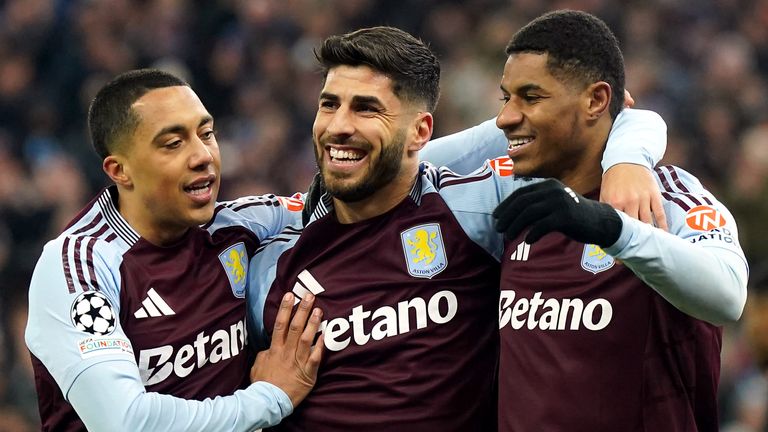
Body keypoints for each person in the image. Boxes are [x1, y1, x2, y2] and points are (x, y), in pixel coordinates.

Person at [248, 26, 668, 431]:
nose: (338, 125)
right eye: (328, 104)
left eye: (366, 107)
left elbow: (620, 116)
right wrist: (264, 401)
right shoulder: (270, 253)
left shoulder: (472, 206)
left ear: (421, 131)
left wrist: (627, 159)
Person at [484, 10, 747, 431]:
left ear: (596, 101)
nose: (505, 117)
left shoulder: (668, 196)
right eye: (506, 98)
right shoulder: (508, 198)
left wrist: (612, 228)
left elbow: (728, 295)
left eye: (530, 97)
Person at [25, 69, 324, 432]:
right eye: (173, 143)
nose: (203, 156)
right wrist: (270, 398)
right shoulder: (79, 265)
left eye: (207, 134)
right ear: (120, 170)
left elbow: (342, 199)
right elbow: (125, 421)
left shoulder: (237, 226)